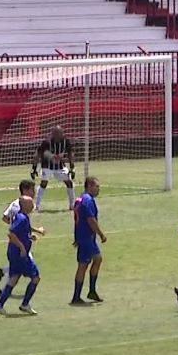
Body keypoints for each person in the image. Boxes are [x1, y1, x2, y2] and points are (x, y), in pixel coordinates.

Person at [0, 196, 43, 315]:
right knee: (35, 277)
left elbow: (20, 232)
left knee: (14, 278)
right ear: (25, 205)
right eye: (30, 203)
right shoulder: (21, 218)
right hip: (20, 254)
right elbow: (11, 234)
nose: (32, 205)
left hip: (14, 253)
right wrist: (21, 247)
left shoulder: (22, 217)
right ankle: (25, 304)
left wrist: (29, 237)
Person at [0, 179, 38, 293]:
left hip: (18, 239)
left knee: (16, 266)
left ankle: (2, 275)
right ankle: (5, 290)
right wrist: (29, 231)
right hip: (19, 242)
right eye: (32, 190)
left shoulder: (14, 203)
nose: (34, 193)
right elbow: (20, 223)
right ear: (25, 190)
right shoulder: (21, 206)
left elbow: (5, 217)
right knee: (23, 266)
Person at [71, 176, 106, 304]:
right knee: (96, 259)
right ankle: (90, 291)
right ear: (89, 186)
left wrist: (76, 236)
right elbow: (91, 220)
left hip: (82, 237)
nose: (98, 189)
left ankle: (77, 296)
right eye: (97, 187)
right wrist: (101, 235)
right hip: (87, 238)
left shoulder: (80, 199)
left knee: (83, 265)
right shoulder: (87, 200)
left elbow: (77, 219)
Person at [31, 125, 75, 211]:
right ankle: (36, 206)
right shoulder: (46, 142)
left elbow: (70, 154)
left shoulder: (66, 142)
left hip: (60, 166)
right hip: (47, 166)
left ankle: (72, 205)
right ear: (53, 134)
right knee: (44, 183)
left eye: (60, 133)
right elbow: (38, 154)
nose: (58, 136)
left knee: (69, 183)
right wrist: (34, 168)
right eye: (56, 134)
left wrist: (72, 168)